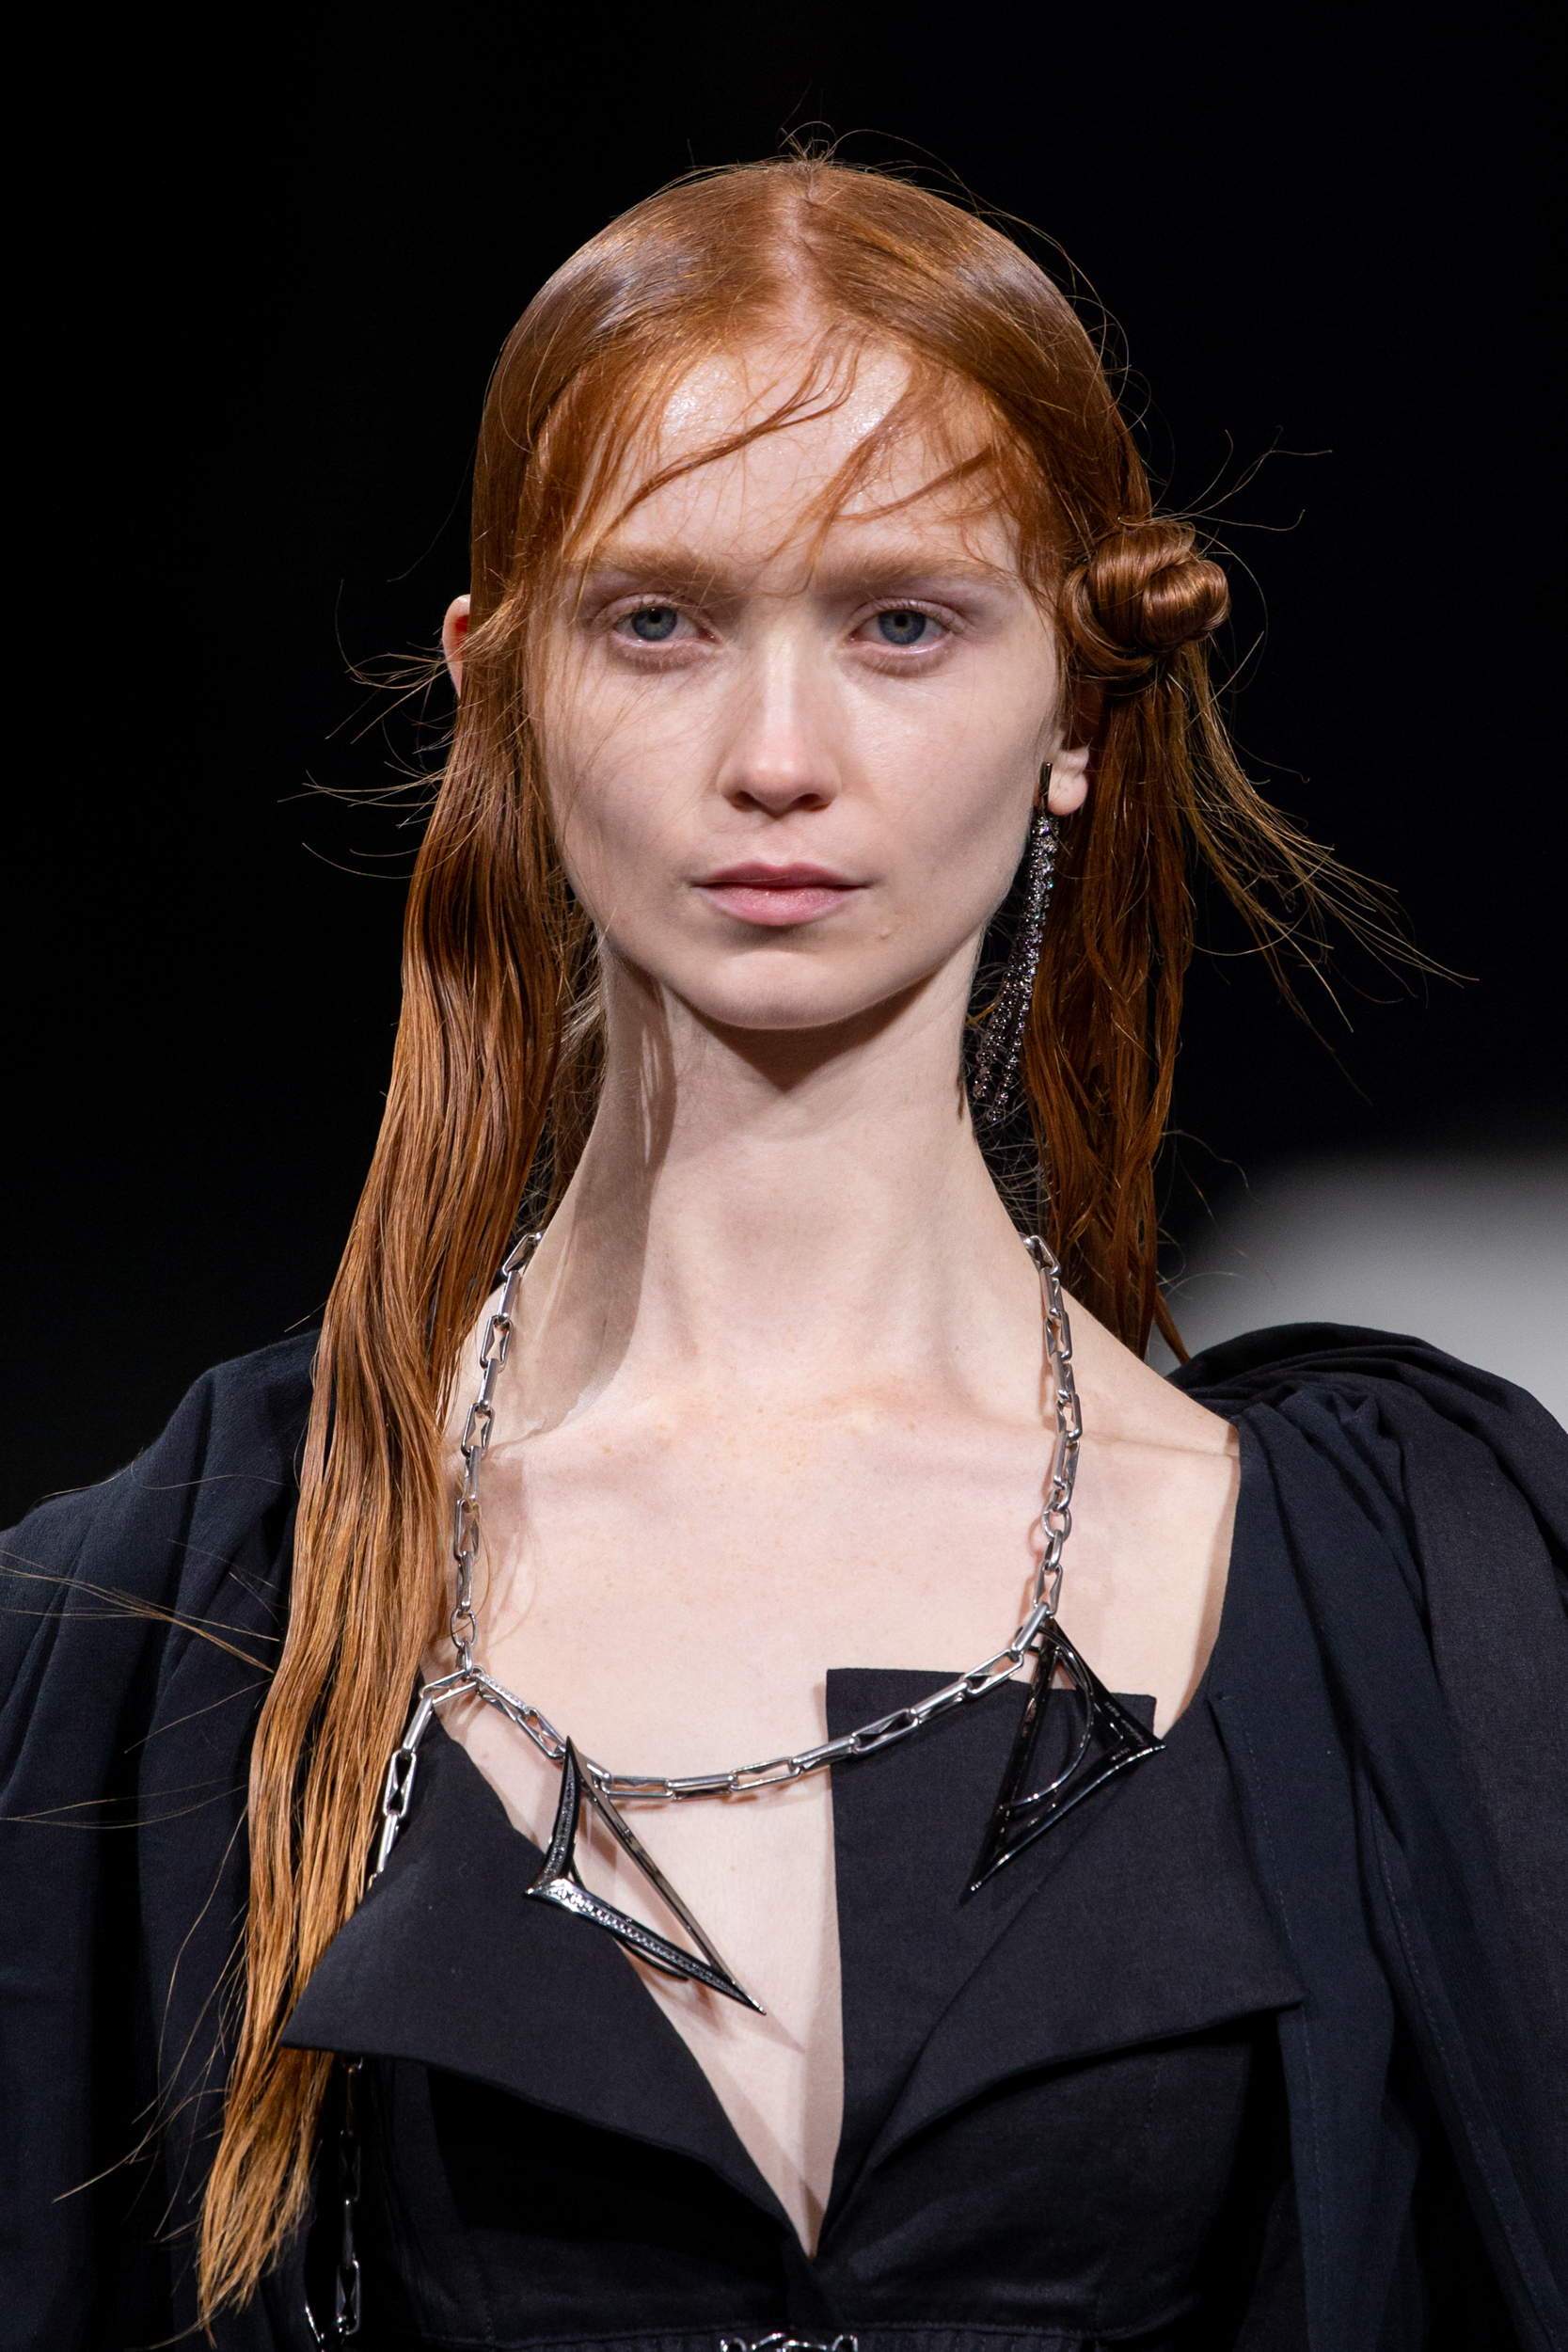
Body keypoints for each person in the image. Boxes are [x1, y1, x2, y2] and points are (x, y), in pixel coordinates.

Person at [3, 157, 1564, 2352]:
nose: (775, 758)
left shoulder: (1418, 1596)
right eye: (659, 621)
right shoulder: (159, 1631)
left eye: (902, 622)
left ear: (1078, 715)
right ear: (502, 688)